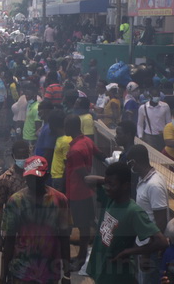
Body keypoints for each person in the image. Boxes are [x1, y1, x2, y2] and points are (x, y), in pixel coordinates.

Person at [85, 163, 168, 284]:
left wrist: (128, 252)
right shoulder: (109, 199)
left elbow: (161, 242)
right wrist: (109, 180)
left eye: (112, 185)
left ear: (126, 186)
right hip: (101, 267)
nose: (107, 187)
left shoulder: (133, 211)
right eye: (106, 184)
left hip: (117, 274)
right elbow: (87, 180)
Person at [0, 156, 71, 284]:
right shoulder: (15, 201)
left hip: (50, 272)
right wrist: (3, 275)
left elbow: (65, 238)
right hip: (21, 271)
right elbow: (9, 241)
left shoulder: (60, 200)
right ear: (24, 176)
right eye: (30, 178)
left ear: (46, 176)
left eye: (37, 178)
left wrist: (67, 274)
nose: (33, 182)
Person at [65, 115, 105, 271]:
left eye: (66, 126)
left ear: (72, 127)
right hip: (84, 193)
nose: (65, 128)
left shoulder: (75, 150)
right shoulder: (86, 142)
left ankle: (81, 258)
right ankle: (82, 255)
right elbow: (100, 155)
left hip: (77, 193)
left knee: (82, 227)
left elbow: (83, 175)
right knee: (85, 227)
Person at [125, 145, 168, 284]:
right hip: (142, 243)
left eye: (129, 162)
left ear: (134, 162)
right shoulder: (143, 179)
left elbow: (160, 223)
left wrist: (146, 253)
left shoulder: (154, 185)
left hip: (151, 249)